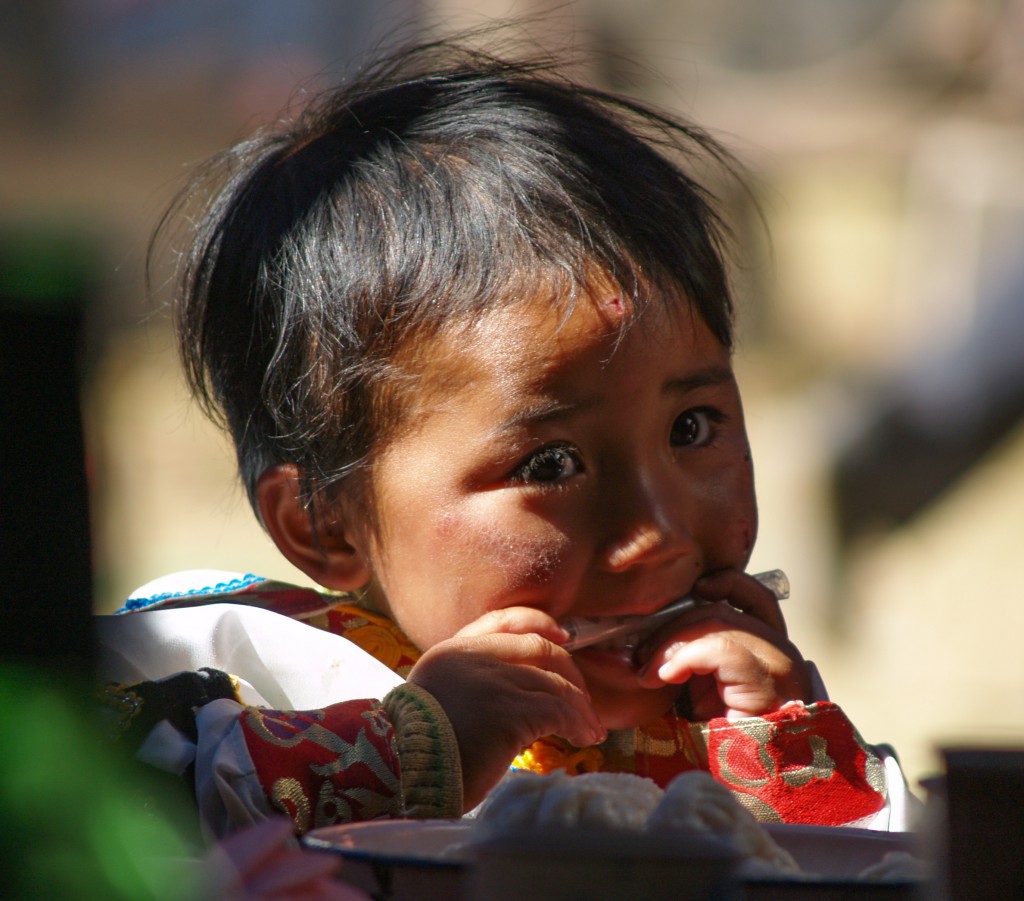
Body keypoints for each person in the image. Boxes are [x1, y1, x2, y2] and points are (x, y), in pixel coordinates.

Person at [96, 37, 914, 843]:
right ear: (323, 522)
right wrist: (402, 759)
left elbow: (884, 869)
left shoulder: (727, 730)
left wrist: (794, 756)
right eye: (550, 463)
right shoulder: (248, 676)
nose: (657, 533)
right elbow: (92, 817)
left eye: (690, 427)